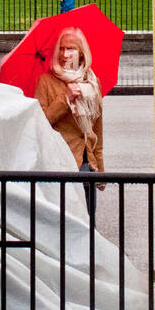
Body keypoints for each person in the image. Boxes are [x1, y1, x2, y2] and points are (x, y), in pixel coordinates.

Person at [34, 28, 104, 221]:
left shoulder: (92, 83)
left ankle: (89, 251)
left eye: (71, 49)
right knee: (65, 220)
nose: (65, 54)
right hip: (60, 161)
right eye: (61, 49)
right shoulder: (46, 82)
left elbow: (97, 129)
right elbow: (41, 122)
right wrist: (65, 99)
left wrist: (100, 168)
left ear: (82, 52)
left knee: (88, 220)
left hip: (86, 164)